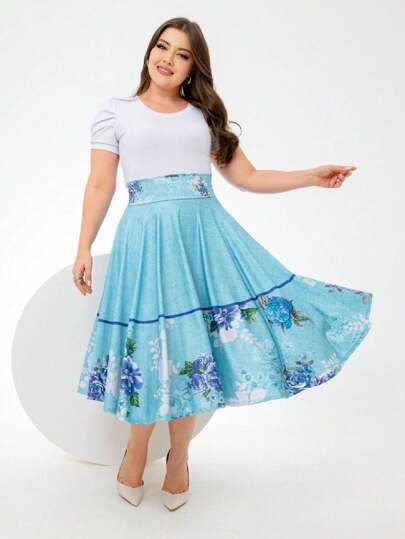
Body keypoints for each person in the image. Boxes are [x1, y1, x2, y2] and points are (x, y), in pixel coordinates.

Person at [73, 17, 373, 511]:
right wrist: (83, 246)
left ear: (194, 67)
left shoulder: (202, 117)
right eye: (162, 47)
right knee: (147, 347)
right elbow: (100, 183)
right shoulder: (116, 113)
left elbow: (247, 177)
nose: (167, 59)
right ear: (149, 51)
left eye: (182, 54)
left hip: (202, 242)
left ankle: (179, 457)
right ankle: (136, 449)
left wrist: (309, 176)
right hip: (145, 242)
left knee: (193, 350)